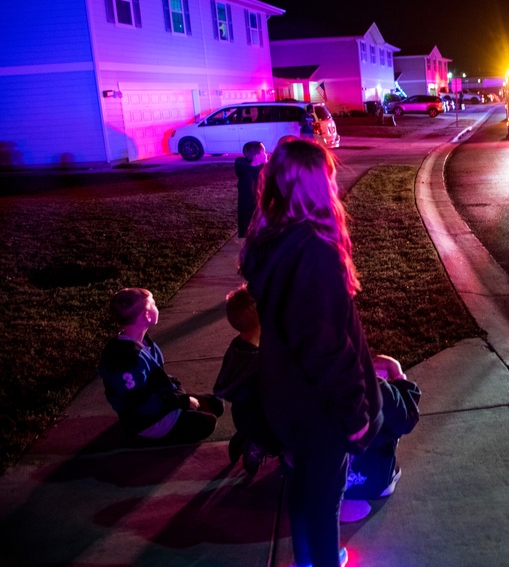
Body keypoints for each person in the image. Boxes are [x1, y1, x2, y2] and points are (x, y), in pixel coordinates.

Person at [240, 139, 383, 567]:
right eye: (329, 178)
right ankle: (322, 560)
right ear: (317, 186)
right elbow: (325, 347)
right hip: (317, 403)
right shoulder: (313, 252)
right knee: (324, 494)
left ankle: (308, 558)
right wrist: (355, 414)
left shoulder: (270, 239)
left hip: (287, 393)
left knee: (305, 484)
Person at [99, 288, 224, 445]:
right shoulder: (126, 360)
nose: (157, 307)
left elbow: (161, 378)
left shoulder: (144, 341)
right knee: (208, 423)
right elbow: (142, 404)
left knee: (216, 405)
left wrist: (179, 395)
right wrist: (182, 401)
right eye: (154, 304)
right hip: (147, 420)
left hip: (162, 401)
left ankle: (178, 415)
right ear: (146, 315)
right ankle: (147, 437)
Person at [341, 354, 421, 522]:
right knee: (388, 424)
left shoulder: (298, 381)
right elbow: (406, 419)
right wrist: (396, 373)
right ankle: (383, 481)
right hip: (368, 480)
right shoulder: (371, 386)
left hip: (317, 483)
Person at [213, 285, 283, 476]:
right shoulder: (260, 362)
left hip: (243, 416)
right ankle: (261, 444)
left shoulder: (236, 348)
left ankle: (249, 438)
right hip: (263, 423)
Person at [235, 141, 267, 238]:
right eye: (264, 152)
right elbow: (247, 205)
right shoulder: (250, 177)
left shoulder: (256, 171)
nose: (266, 154)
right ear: (257, 157)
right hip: (254, 225)